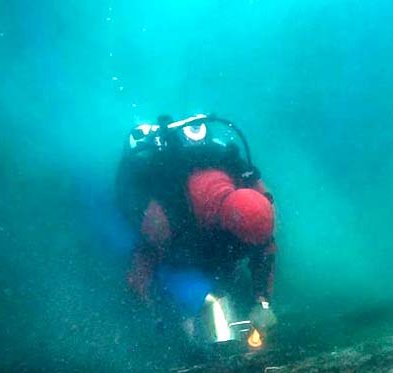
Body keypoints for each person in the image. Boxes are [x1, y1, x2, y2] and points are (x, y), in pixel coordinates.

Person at [116, 114, 277, 343]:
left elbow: (265, 249)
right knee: (186, 281)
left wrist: (262, 302)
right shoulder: (164, 218)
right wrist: (154, 314)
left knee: (224, 274)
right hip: (178, 241)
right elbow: (141, 273)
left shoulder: (255, 194)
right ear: (228, 230)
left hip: (203, 237)